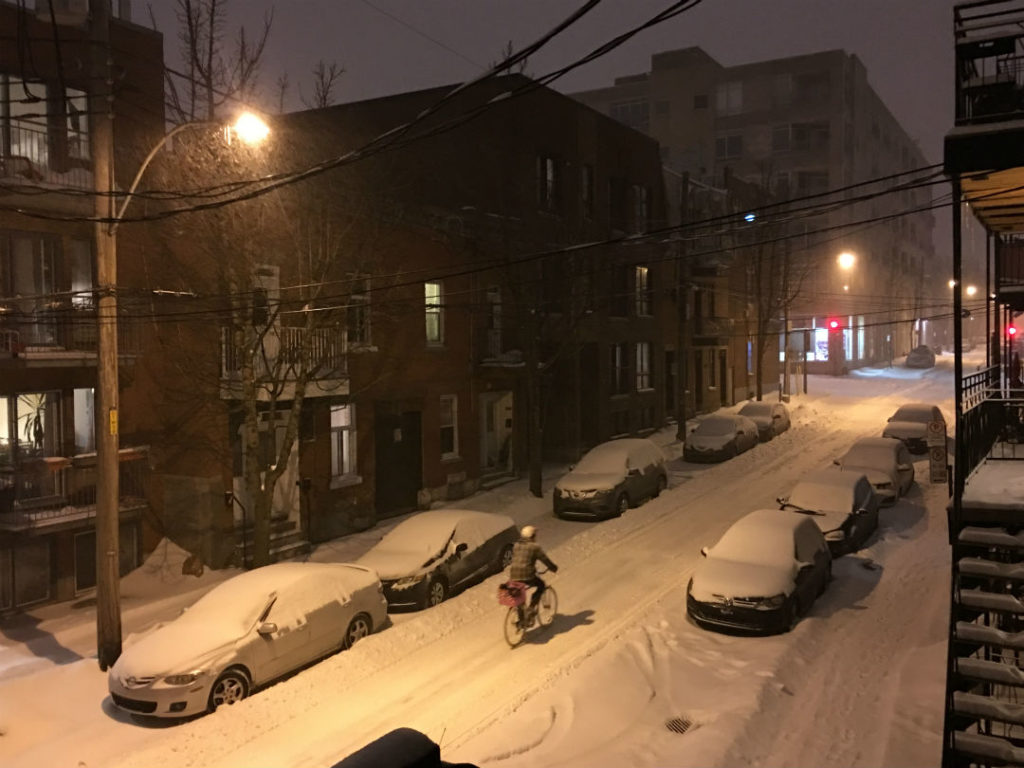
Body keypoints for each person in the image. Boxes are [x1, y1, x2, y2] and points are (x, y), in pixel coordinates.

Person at [509, 525, 558, 622]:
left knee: (519, 595)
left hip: (513, 574)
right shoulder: (534, 547)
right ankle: (531, 608)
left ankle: (521, 621)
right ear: (532, 536)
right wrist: (553, 567)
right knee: (541, 585)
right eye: (535, 535)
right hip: (527, 575)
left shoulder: (516, 545)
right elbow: (544, 559)